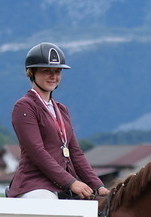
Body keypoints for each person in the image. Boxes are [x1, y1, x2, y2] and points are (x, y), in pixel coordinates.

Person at [7, 42, 109, 200]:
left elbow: (75, 152)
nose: (53, 76)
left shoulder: (61, 110)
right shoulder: (25, 107)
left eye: (57, 71)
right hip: (35, 184)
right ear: (31, 72)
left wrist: (98, 185)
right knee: (47, 201)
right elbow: (37, 152)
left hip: (64, 185)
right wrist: (71, 182)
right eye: (46, 71)